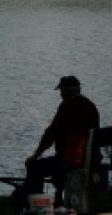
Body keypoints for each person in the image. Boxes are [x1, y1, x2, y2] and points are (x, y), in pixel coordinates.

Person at [18, 75, 100, 208]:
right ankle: (56, 200)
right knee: (54, 162)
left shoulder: (67, 107)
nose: (61, 94)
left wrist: (35, 156)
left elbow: (50, 134)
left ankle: (35, 206)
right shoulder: (90, 106)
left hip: (72, 161)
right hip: (91, 159)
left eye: (62, 90)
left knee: (34, 167)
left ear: (69, 90)